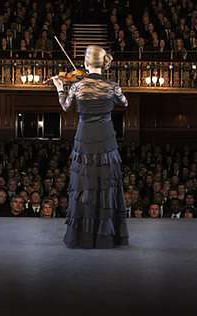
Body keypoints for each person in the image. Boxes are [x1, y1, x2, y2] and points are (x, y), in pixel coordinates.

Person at [53, 45, 129, 249]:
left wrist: (61, 87)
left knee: (84, 183)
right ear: (103, 64)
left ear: (86, 64)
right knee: (106, 183)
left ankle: (82, 237)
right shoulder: (112, 86)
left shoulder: (78, 87)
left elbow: (65, 106)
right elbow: (125, 103)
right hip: (105, 136)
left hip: (85, 136)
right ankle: (107, 236)